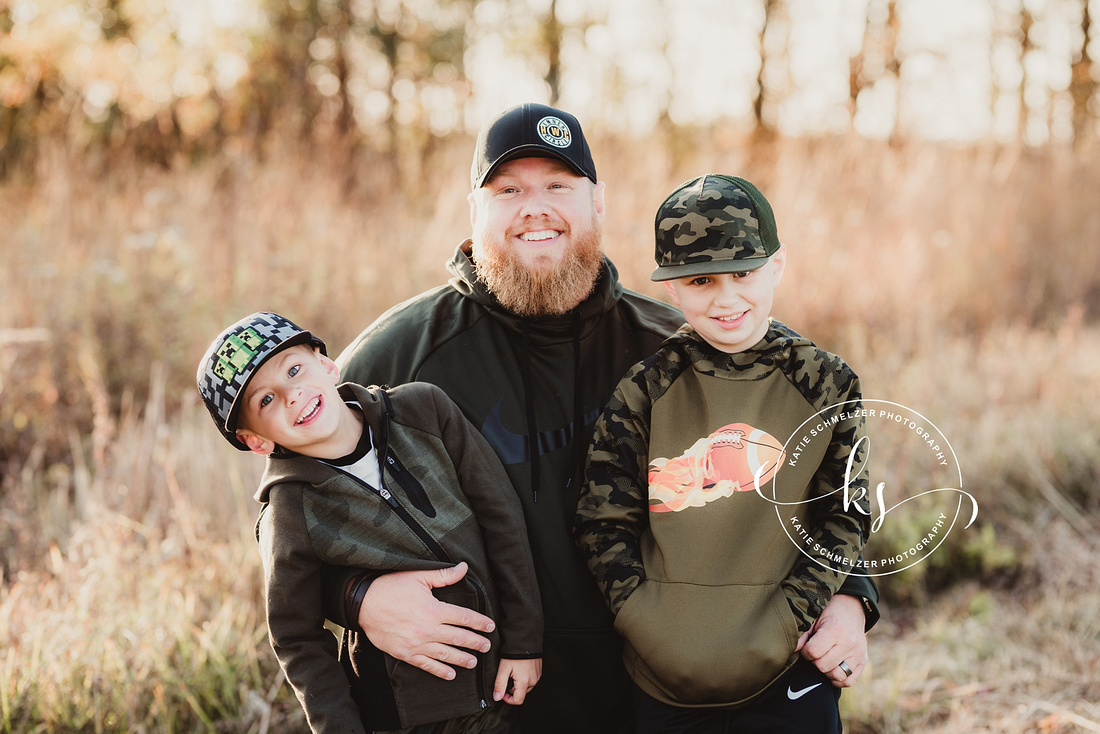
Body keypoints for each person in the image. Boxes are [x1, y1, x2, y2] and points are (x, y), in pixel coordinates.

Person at [323, 103, 880, 734]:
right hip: (478, 701)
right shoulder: (396, 359)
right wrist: (358, 598)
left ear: (598, 203)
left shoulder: (680, 344)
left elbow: (809, 472)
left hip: (648, 696)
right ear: (474, 210)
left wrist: (850, 599)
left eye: (558, 186)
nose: (536, 207)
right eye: (509, 190)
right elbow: (292, 516)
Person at [575, 173, 872, 733]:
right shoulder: (645, 391)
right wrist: (644, 620)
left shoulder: (825, 384)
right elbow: (601, 521)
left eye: (744, 273)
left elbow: (846, 513)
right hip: (662, 681)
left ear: (778, 266)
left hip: (787, 674)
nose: (727, 297)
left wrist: (794, 616)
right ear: (671, 289)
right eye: (701, 280)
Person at [196, 311, 544, 733]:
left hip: (506, 681)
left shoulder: (423, 410)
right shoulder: (288, 512)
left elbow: (502, 516)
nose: (291, 394)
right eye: (265, 400)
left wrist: (525, 643)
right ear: (256, 440)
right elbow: (296, 637)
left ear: (326, 364)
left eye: (294, 369)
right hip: (407, 716)